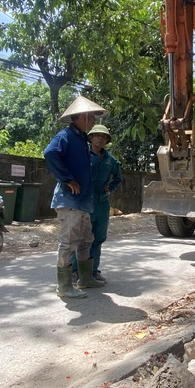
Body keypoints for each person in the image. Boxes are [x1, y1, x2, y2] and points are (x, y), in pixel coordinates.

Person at [44, 96, 107, 299]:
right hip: (69, 200)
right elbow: (50, 153)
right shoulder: (66, 135)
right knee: (68, 242)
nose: (92, 122)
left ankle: (85, 278)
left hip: (82, 201)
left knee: (86, 239)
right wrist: (67, 179)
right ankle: (63, 286)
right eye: (90, 118)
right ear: (81, 117)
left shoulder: (80, 138)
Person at [73, 124, 122, 283]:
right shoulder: (81, 155)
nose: (100, 138)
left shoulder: (110, 160)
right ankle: (75, 271)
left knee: (98, 238)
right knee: (81, 239)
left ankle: (93, 271)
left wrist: (109, 190)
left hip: (102, 205)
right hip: (84, 203)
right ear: (91, 138)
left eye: (104, 136)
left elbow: (117, 178)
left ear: (107, 140)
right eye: (97, 135)